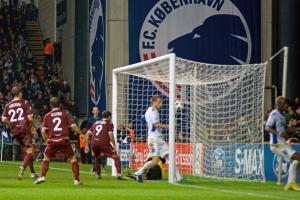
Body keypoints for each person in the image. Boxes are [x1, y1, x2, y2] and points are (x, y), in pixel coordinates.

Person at [34, 97, 83, 185]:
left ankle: (42, 177)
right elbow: (73, 125)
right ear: (60, 104)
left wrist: (46, 140)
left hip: (52, 141)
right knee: (73, 159)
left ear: (51, 105)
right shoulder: (65, 113)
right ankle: (77, 180)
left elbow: (43, 131)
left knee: (46, 159)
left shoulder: (47, 115)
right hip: (64, 140)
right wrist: (81, 133)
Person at [134, 96, 182, 182]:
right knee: (155, 161)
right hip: (154, 139)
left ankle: (178, 177)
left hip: (157, 138)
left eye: (161, 102)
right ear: (154, 102)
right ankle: (138, 173)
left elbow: (142, 119)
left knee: (168, 157)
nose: (161, 104)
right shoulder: (153, 111)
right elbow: (156, 125)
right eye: (159, 102)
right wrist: (169, 126)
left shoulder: (150, 110)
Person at [1, 86, 37, 180]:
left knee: (27, 150)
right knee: (30, 150)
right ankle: (23, 167)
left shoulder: (8, 105)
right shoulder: (24, 102)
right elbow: (29, 118)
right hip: (24, 128)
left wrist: (11, 124)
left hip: (15, 131)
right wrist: (33, 126)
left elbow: (3, 119)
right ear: (20, 93)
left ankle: (32, 173)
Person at [265, 96, 300, 191]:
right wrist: (279, 133)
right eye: (284, 103)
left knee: (296, 160)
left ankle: (290, 184)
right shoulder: (274, 114)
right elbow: (267, 127)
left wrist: (297, 129)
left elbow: (286, 129)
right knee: (297, 157)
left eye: (286, 103)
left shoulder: (283, 115)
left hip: (283, 144)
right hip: (276, 145)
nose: (286, 105)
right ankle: (291, 183)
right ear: (278, 104)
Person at [85, 111, 124, 180]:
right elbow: (110, 134)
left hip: (94, 143)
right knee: (116, 156)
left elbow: (87, 134)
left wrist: (87, 146)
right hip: (103, 143)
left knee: (97, 157)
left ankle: (98, 175)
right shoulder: (109, 124)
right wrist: (114, 145)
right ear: (109, 116)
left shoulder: (96, 123)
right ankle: (119, 174)